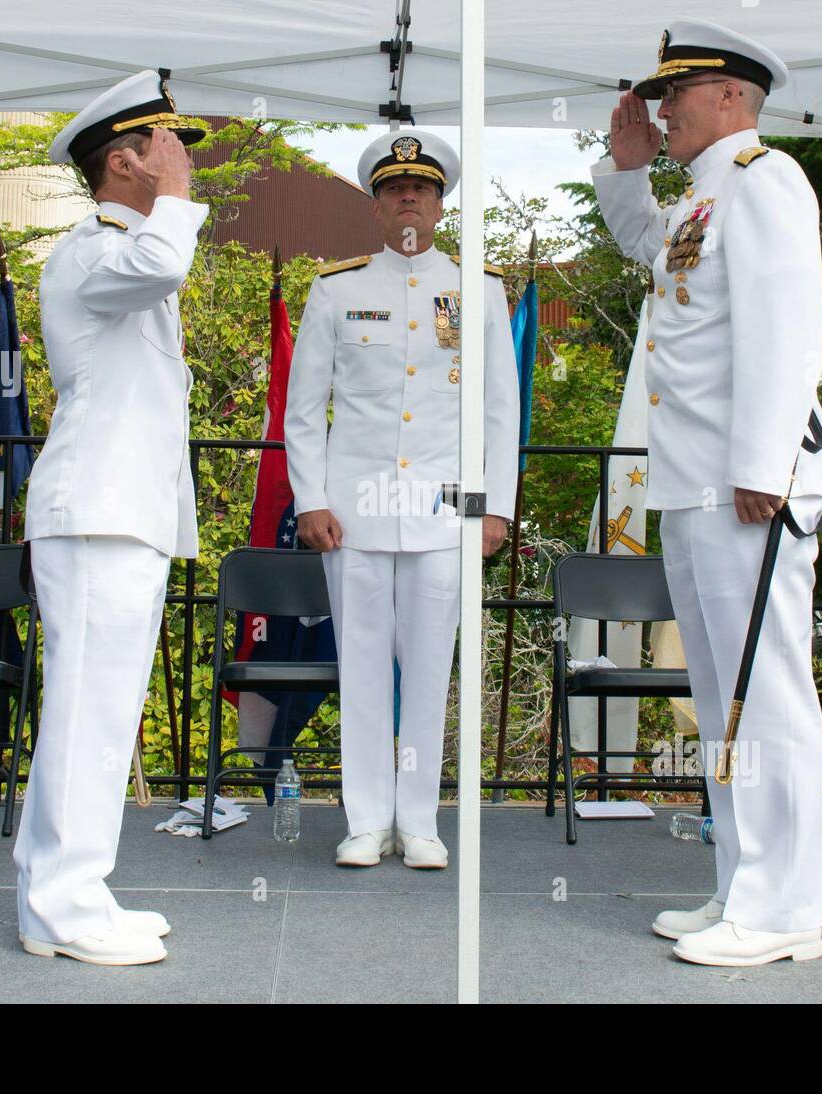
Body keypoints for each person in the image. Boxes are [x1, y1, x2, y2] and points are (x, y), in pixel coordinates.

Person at [591, 19, 822, 966]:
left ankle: (783, 913)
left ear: (732, 94)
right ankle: (742, 885)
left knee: (764, 697)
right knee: (722, 697)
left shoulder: (766, 179)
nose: (663, 109)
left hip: (747, 485)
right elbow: (654, 252)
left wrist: (761, 468)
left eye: (676, 94)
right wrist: (625, 171)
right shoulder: (703, 198)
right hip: (695, 483)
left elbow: (788, 327)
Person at [12, 69, 209, 965]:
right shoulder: (96, 249)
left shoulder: (128, 248)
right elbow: (165, 258)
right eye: (165, 149)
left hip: (121, 515)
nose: (182, 164)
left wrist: (166, 201)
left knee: (104, 714)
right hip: (95, 515)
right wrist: (176, 201)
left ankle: (77, 891)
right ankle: (58, 906)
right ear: (123, 162)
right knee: (87, 714)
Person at [285, 129, 519, 870]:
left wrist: (494, 510)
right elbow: (302, 409)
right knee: (358, 667)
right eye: (393, 189)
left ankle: (418, 819)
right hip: (351, 514)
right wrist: (310, 499)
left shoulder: (480, 289)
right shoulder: (337, 287)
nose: (407, 198)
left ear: (442, 206)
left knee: (428, 668)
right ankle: (365, 819)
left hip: (443, 514)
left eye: (421, 189)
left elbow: (499, 413)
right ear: (377, 207)